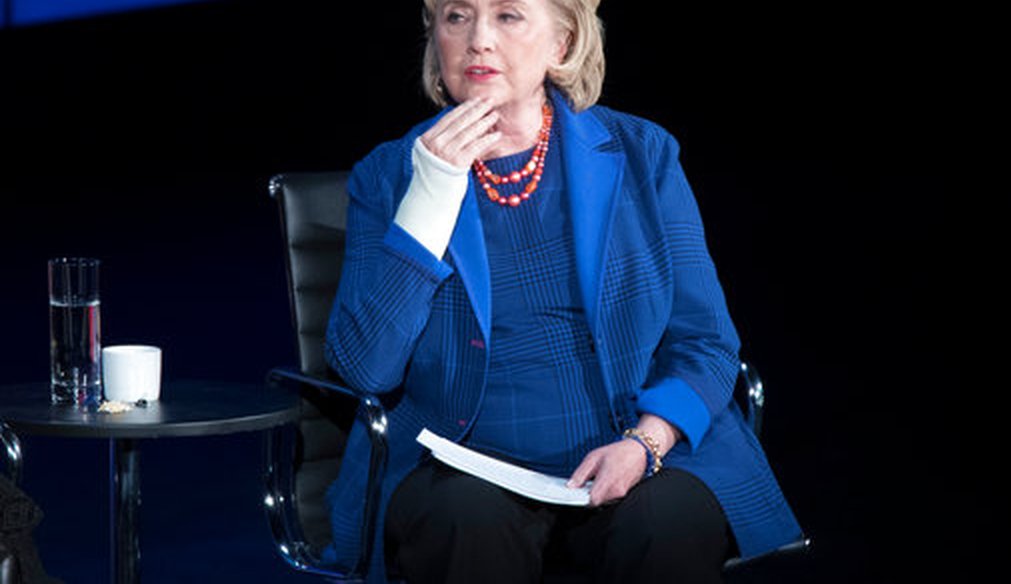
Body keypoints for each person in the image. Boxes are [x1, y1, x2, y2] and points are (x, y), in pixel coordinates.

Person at [323, 0, 802, 582]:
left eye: (507, 16)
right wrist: (432, 195)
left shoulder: (642, 153)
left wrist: (647, 443)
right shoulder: (389, 174)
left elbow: (704, 340)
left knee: (664, 525)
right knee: (462, 522)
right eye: (456, 16)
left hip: (637, 448)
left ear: (563, 43)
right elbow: (366, 368)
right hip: (462, 466)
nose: (478, 40)